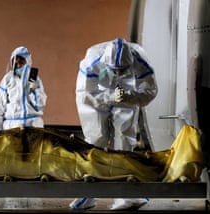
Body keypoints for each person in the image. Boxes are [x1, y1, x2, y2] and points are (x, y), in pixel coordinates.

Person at [70, 38, 158, 210]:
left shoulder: (140, 60)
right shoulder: (92, 61)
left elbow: (150, 91)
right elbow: (85, 94)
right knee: (95, 142)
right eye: (114, 69)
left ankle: (127, 193)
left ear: (130, 62)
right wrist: (108, 97)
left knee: (126, 142)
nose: (118, 72)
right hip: (96, 97)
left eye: (122, 69)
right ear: (105, 63)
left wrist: (129, 97)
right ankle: (88, 193)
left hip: (127, 93)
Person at [0, 46, 47, 130]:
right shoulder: (7, 79)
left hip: (32, 125)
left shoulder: (34, 78)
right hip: (12, 126)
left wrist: (36, 90)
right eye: (16, 63)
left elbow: (40, 105)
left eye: (21, 62)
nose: (18, 65)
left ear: (27, 62)